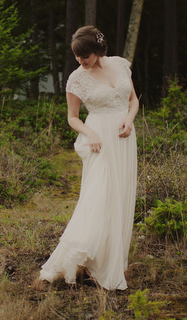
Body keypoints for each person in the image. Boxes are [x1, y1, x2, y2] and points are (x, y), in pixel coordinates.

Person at [38, 26, 139, 290]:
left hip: (124, 138)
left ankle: (107, 262)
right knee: (100, 195)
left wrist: (129, 119)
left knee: (119, 197)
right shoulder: (76, 78)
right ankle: (80, 253)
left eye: (86, 56)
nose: (81, 61)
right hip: (99, 141)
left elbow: (133, 100)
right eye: (77, 57)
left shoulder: (119, 65)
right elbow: (72, 117)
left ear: (97, 50)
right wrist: (89, 132)